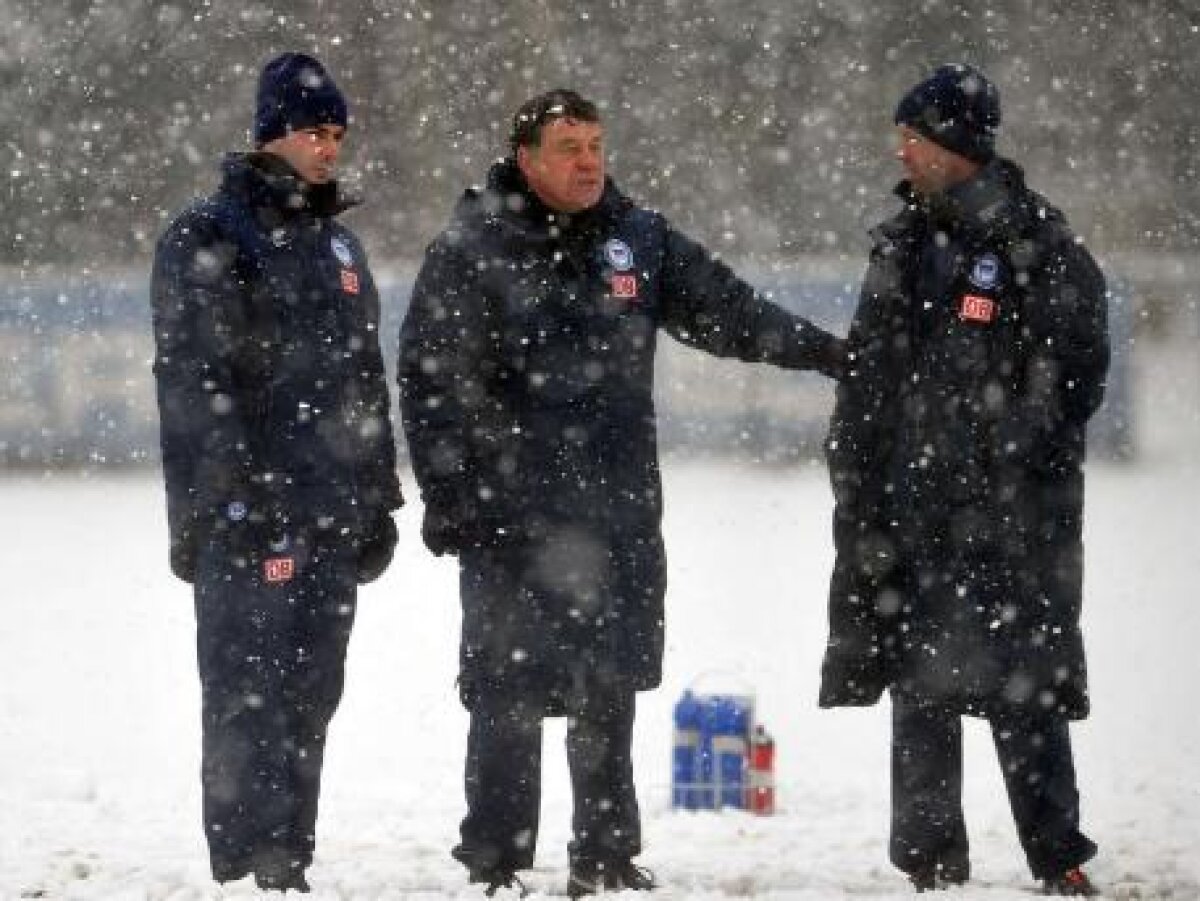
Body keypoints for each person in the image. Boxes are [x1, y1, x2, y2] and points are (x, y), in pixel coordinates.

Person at [398, 89, 845, 897]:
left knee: (608, 684)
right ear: (526, 158)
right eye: (569, 147)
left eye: (597, 144)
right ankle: (495, 858)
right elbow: (431, 380)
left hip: (615, 511)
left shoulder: (635, 239)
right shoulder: (473, 246)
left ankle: (604, 854)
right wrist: (452, 492)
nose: (589, 161)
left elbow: (728, 309)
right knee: (508, 692)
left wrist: (824, 352)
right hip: (512, 514)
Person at [817, 64, 1109, 896]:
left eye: (913, 135)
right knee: (919, 685)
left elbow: (1075, 379)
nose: (900, 150)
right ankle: (930, 865)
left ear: (953, 144)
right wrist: (862, 466)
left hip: (1012, 520)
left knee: (1026, 689)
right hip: (911, 514)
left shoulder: (1039, 244)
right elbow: (870, 372)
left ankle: (1059, 859)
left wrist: (990, 453)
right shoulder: (901, 240)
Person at [150, 52, 403, 892]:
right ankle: (249, 862)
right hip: (247, 516)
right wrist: (229, 499)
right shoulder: (210, 234)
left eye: (336, 133)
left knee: (310, 696)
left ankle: (287, 858)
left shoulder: (339, 244)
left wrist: (378, 497)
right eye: (311, 131)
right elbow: (194, 381)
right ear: (269, 135)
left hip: (331, 513)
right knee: (245, 698)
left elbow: (365, 378)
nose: (328, 148)